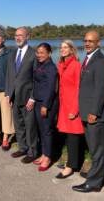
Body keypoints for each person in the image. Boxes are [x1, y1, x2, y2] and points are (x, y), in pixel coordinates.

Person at [72, 30, 104, 193]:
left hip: (95, 115)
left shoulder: (101, 61)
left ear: (99, 43)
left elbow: (101, 89)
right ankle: (95, 174)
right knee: (94, 148)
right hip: (87, 112)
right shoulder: (90, 59)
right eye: (85, 41)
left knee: (98, 149)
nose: (87, 43)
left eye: (91, 41)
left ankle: (94, 183)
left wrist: (94, 112)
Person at [5, 27, 38, 164]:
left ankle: (32, 151)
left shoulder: (34, 54)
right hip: (14, 96)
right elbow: (9, 75)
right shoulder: (12, 53)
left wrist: (33, 97)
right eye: (16, 36)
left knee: (30, 126)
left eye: (20, 35)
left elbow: (37, 78)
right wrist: (8, 93)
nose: (17, 38)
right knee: (18, 125)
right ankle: (22, 147)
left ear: (27, 37)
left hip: (28, 97)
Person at [55, 40, 85, 179]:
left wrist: (75, 109)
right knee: (67, 136)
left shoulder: (76, 65)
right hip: (63, 105)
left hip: (72, 106)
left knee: (73, 136)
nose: (62, 49)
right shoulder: (61, 64)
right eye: (61, 47)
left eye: (66, 47)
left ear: (72, 50)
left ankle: (70, 167)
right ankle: (73, 162)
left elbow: (79, 88)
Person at [32, 43, 58, 171]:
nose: (39, 55)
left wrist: (45, 105)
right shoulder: (40, 65)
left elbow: (51, 88)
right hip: (38, 101)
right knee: (41, 130)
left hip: (46, 104)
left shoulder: (51, 68)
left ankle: (48, 157)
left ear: (49, 53)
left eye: (42, 52)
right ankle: (43, 154)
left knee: (47, 130)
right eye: (37, 52)